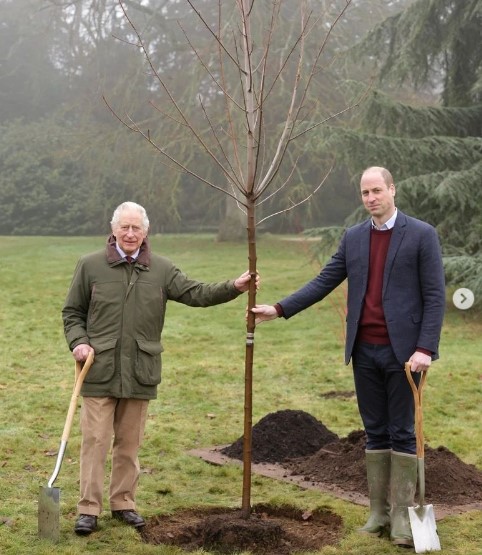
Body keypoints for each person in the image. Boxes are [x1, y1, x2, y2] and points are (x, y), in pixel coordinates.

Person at [252, 166, 445, 548]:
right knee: (374, 430)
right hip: (364, 349)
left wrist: (425, 349)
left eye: (376, 190)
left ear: (392, 189)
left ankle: (404, 518)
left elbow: (435, 296)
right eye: (364, 193)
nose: (370, 198)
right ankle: (378, 513)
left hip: (406, 355)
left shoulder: (421, 235)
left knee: (402, 431)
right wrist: (280, 308)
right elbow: (325, 281)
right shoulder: (354, 238)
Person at [62, 201, 258, 536]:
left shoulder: (162, 270)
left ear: (146, 231)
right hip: (99, 370)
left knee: (129, 443)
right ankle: (88, 510)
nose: (130, 233)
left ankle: (123, 503)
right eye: (124, 226)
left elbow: (196, 293)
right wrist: (78, 341)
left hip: (141, 370)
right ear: (113, 229)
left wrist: (233, 287)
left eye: (136, 227)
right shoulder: (90, 266)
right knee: (94, 441)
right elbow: (72, 313)